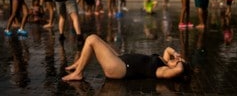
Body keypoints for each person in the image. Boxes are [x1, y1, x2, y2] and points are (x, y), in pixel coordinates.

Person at [62, 34, 190, 81]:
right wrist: (176, 54)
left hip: (120, 69)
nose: (177, 60)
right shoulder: (165, 61)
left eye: (179, 62)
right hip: (120, 60)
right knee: (100, 42)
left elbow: (179, 70)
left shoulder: (163, 71)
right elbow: (168, 49)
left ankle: (78, 73)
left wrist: (179, 64)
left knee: (92, 39)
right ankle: (77, 65)